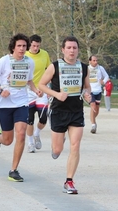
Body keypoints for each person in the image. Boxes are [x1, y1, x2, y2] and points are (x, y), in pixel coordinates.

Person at [38, 36, 91, 194]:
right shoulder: (55, 66)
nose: (72, 51)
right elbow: (41, 84)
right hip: (59, 111)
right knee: (57, 149)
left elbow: (87, 87)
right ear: (63, 50)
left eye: (74, 48)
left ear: (78, 50)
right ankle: (58, 143)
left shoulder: (84, 67)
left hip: (76, 112)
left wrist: (87, 95)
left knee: (75, 146)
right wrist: (56, 94)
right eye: (69, 48)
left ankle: (69, 181)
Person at [0, 33, 42, 182]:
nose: (22, 49)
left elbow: (29, 80)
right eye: (19, 46)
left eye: (25, 46)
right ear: (13, 47)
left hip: (21, 103)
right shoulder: (4, 61)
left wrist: (35, 89)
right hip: (5, 104)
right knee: (8, 140)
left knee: (22, 134)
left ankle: (14, 170)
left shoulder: (29, 62)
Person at [25, 34, 51, 153]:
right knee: (29, 119)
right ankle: (30, 143)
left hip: (42, 90)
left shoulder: (44, 54)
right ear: (30, 45)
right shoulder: (24, 55)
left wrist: (48, 88)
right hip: (28, 91)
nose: (36, 48)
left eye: (38, 46)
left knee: (43, 118)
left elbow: (49, 71)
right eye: (34, 46)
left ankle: (37, 134)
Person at [88, 55, 109, 133]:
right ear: (90, 61)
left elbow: (106, 76)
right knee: (93, 105)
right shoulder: (87, 69)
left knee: (97, 109)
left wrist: (104, 81)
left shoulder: (100, 68)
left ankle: (93, 119)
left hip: (98, 90)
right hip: (90, 90)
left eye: (96, 60)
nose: (96, 62)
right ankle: (93, 125)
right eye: (94, 60)